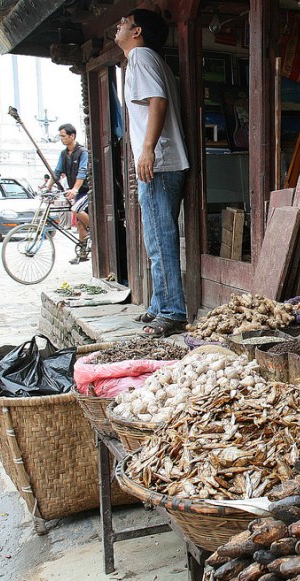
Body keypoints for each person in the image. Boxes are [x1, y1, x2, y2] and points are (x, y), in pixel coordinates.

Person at [115, 9, 189, 337]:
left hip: (158, 163)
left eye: (123, 22)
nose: (118, 26)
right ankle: (160, 305)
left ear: (137, 31)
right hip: (160, 162)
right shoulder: (147, 58)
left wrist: (147, 150)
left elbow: (157, 101)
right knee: (156, 239)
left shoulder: (141, 56)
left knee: (161, 239)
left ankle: (172, 312)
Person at [45, 124, 91, 264]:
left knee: (75, 209)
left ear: (72, 136)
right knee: (79, 224)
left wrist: (75, 189)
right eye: (60, 136)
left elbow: (82, 172)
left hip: (86, 191)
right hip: (75, 192)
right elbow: (57, 172)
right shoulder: (64, 154)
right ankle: (82, 253)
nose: (61, 139)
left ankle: (94, 233)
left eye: (63, 136)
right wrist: (47, 188)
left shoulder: (82, 152)